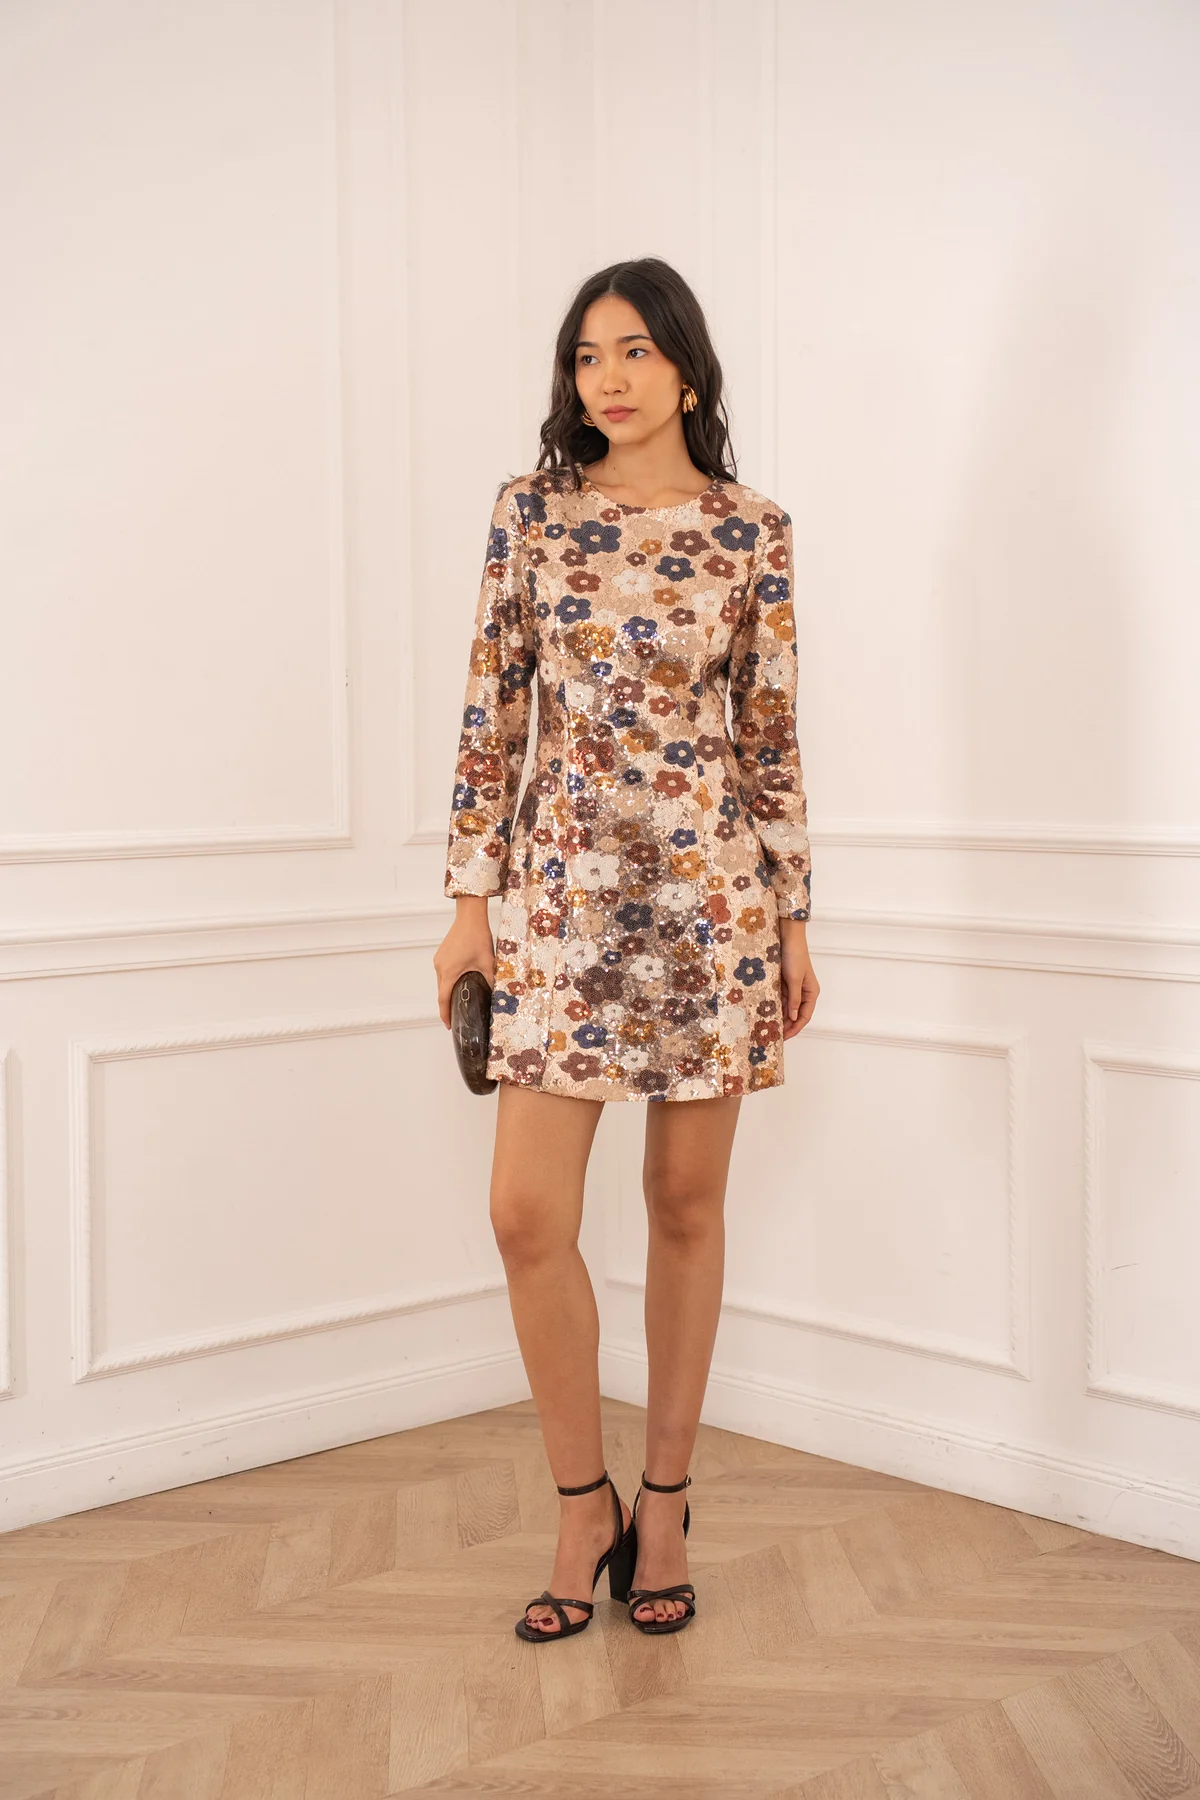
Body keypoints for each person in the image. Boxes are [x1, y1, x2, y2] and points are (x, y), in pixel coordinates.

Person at [433, 256, 819, 1641]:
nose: (608, 376)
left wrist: (793, 918)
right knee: (525, 1213)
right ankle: (578, 1502)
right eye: (587, 355)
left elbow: (769, 737)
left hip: (713, 908)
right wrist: (468, 903)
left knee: (684, 1208)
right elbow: (492, 712)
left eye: (636, 350)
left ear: (689, 372)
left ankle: (664, 1502)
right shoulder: (530, 515)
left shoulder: (752, 531)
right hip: (559, 909)